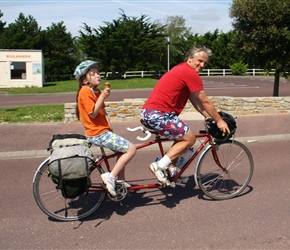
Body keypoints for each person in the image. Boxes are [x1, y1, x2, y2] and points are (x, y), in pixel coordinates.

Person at [140, 45, 230, 186]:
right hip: (159, 114)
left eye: (205, 63)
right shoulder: (190, 73)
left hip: (152, 113)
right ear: (189, 58)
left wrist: (207, 116)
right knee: (189, 139)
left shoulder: (182, 69)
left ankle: (171, 171)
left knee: (181, 137)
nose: (202, 65)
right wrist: (219, 121)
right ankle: (158, 166)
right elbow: (204, 100)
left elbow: (194, 99)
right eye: (199, 61)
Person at [74, 60, 136, 197]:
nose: (98, 76)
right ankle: (111, 177)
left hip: (103, 131)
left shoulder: (95, 91)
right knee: (131, 149)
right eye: (93, 73)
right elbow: (93, 113)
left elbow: (103, 112)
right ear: (84, 80)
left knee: (122, 151)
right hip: (96, 132)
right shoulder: (85, 92)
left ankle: (120, 180)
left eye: (98, 73)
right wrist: (102, 96)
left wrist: (110, 129)